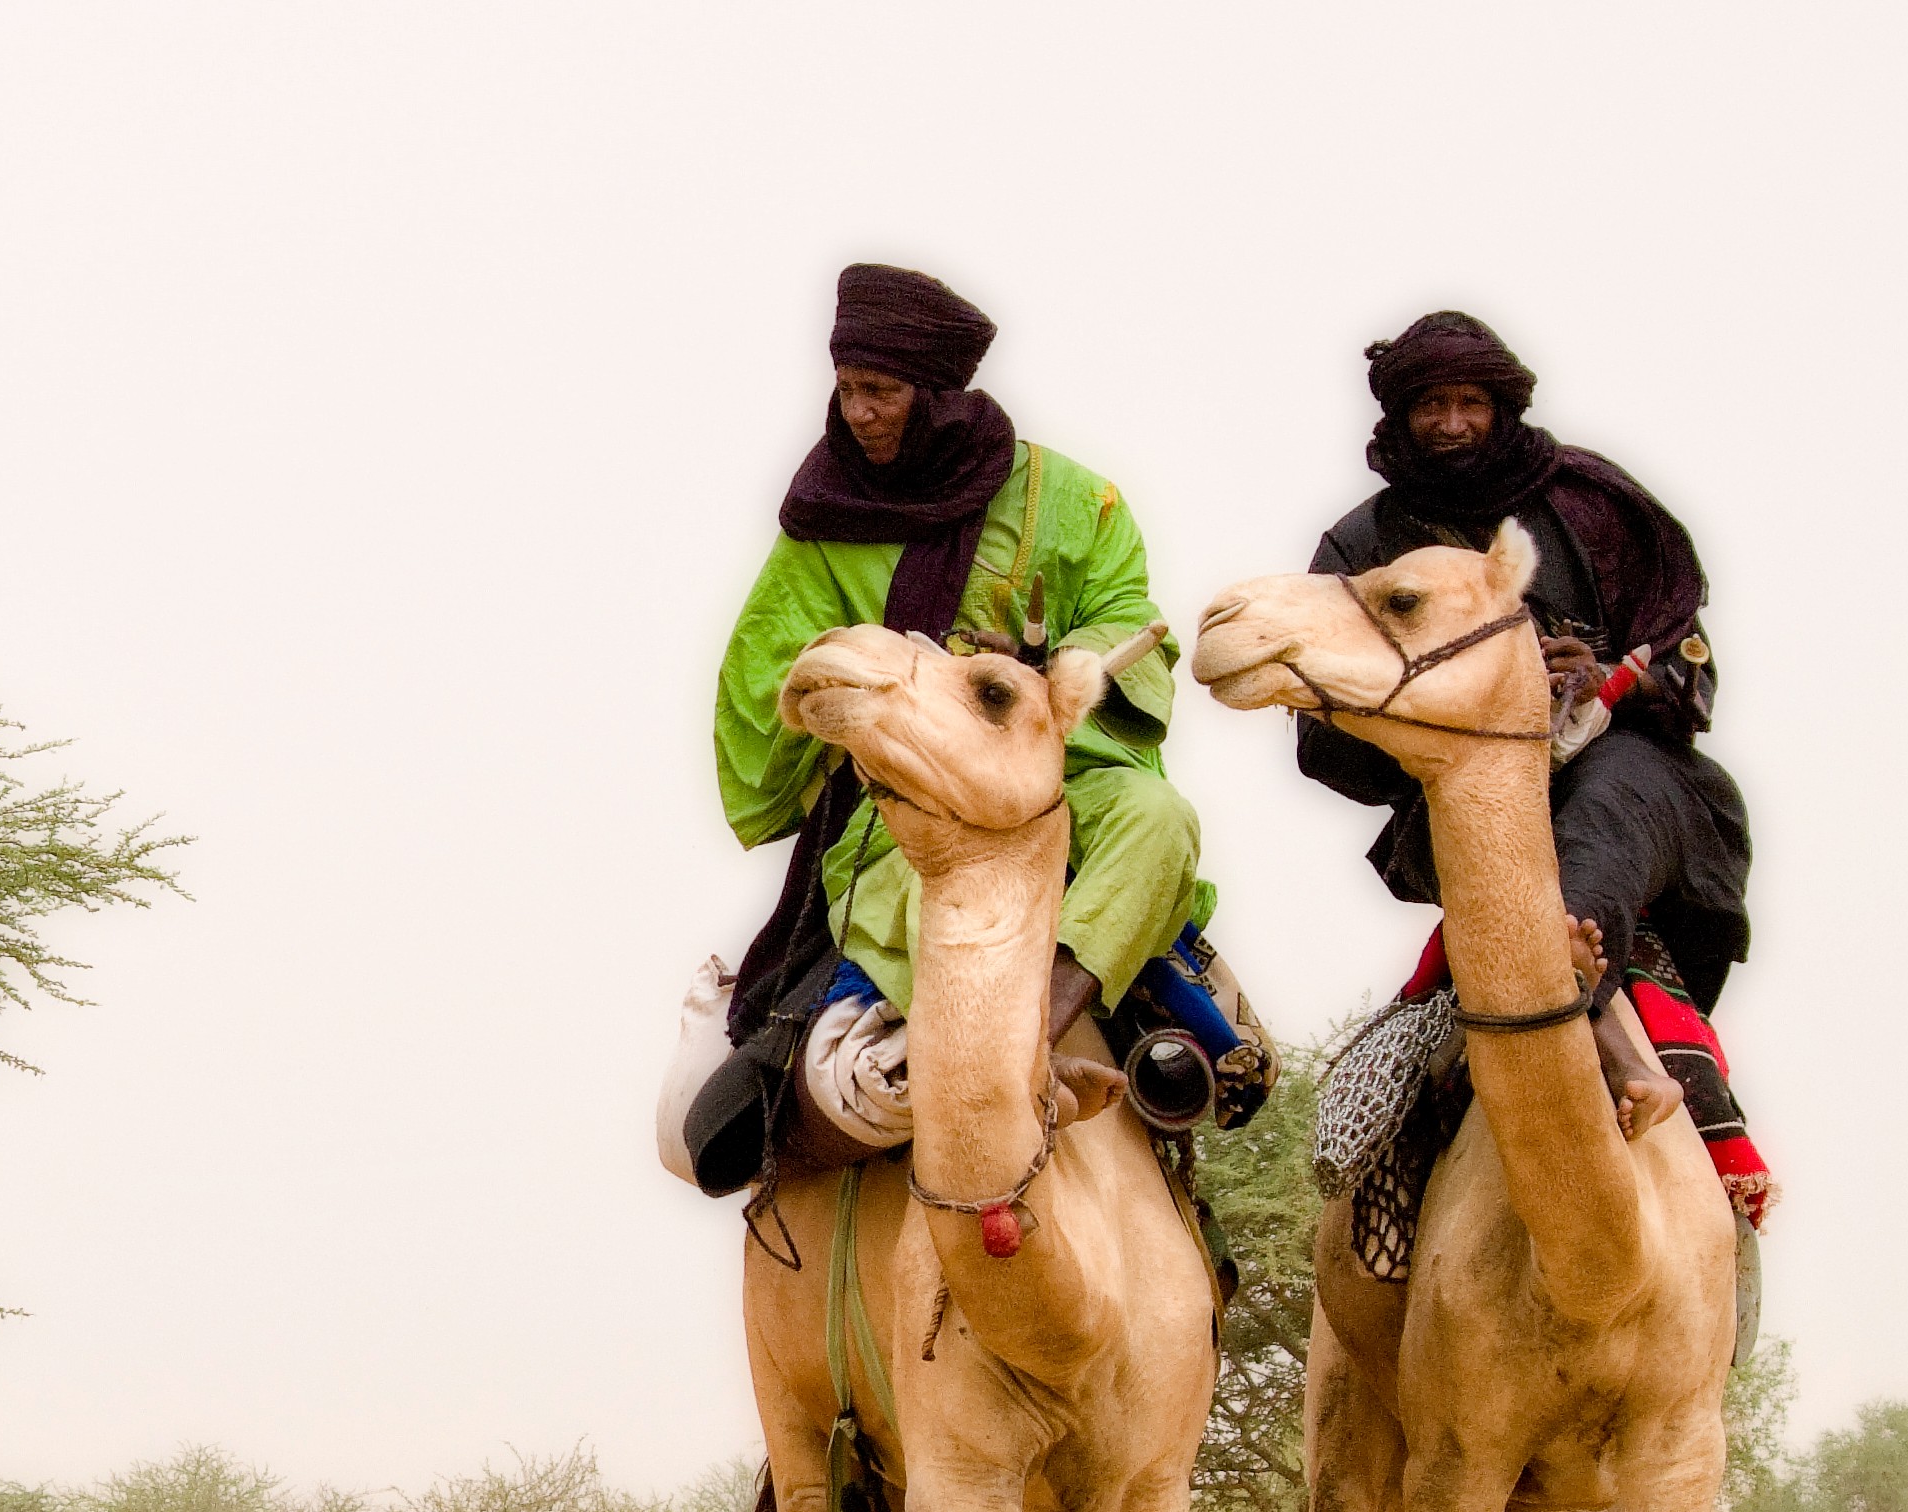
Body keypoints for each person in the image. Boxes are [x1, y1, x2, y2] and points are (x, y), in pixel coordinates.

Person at [706, 264, 1219, 1152]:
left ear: (938, 395)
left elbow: (1128, 619)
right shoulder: (824, 522)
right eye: (847, 388)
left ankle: (1038, 1037)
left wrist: (1043, 675)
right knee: (923, 891)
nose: (858, 411)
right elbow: (769, 676)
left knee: (1159, 817)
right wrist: (871, 692)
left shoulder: (1075, 502)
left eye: (881, 391)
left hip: (1055, 789)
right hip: (908, 814)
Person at [1293, 310, 1769, 1216]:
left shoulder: (1591, 508)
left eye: (1470, 401)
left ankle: (1578, 968)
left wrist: (1598, 677)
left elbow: (1690, 664)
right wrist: (1448, 710)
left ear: (1502, 408)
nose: (1452, 424)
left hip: (1633, 774)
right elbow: (1322, 737)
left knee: (1602, 814)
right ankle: (1589, 1025)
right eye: (1431, 405)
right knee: (1493, 826)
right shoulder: (1362, 549)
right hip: (1459, 795)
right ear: (1401, 416)